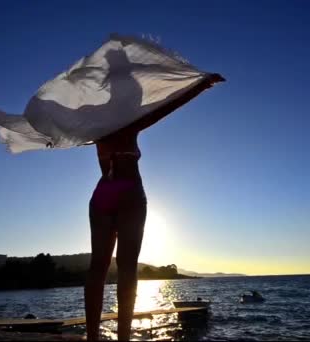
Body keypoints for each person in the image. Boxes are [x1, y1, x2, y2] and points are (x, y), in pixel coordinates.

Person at [84, 73, 224, 341]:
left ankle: (93, 338)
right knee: (126, 267)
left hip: (103, 194)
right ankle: (122, 337)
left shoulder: (94, 123)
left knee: (98, 267)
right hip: (130, 197)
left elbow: (65, 125)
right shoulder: (129, 121)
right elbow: (166, 107)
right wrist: (200, 86)